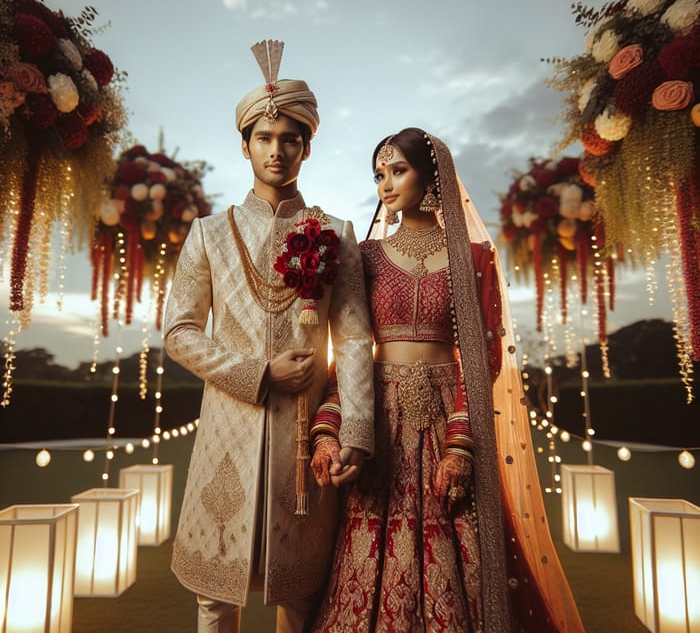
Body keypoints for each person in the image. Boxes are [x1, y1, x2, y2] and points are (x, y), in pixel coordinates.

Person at [309, 127, 585, 632]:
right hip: (377, 420)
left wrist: (462, 442)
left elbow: (482, 357)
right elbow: (348, 353)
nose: (385, 186)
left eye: (397, 171)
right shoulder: (366, 256)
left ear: (432, 175)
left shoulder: (473, 259)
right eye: (378, 175)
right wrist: (329, 430)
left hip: (446, 415)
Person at [163, 40, 375, 633]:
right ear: (245, 145)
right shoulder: (208, 234)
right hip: (225, 433)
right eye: (264, 138)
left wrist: (355, 430)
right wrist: (257, 373)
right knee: (214, 597)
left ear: (307, 147)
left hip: (308, 439)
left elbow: (355, 338)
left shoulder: (337, 232)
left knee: (302, 595)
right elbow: (178, 332)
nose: (276, 150)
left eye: (289, 139)